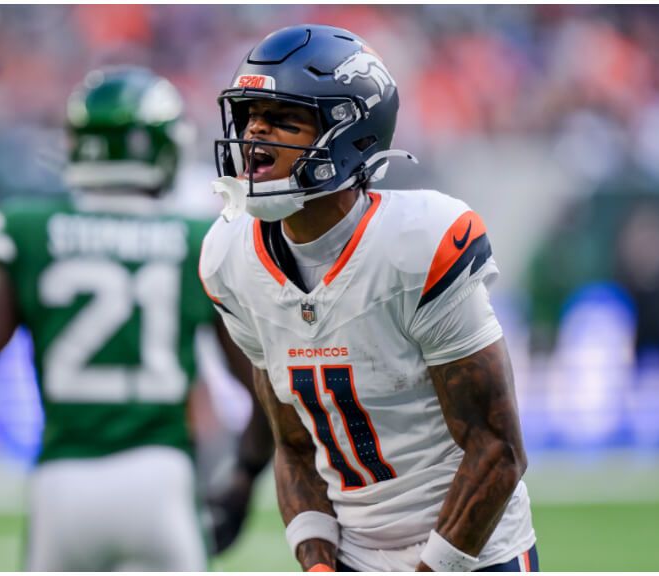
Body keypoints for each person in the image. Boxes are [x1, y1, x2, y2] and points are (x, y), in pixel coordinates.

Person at [200, 25, 537, 572]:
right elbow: (295, 446)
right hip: (354, 554)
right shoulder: (229, 257)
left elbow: (497, 449)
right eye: (249, 117)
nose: (254, 137)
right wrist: (318, 563)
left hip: (470, 554)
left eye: (283, 121)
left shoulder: (417, 245)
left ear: (348, 136)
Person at [0, 67, 272, 572]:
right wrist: (244, 476)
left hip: (64, 485)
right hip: (160, 481)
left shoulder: (29, 230)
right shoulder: (197, 239)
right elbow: (262, 386)